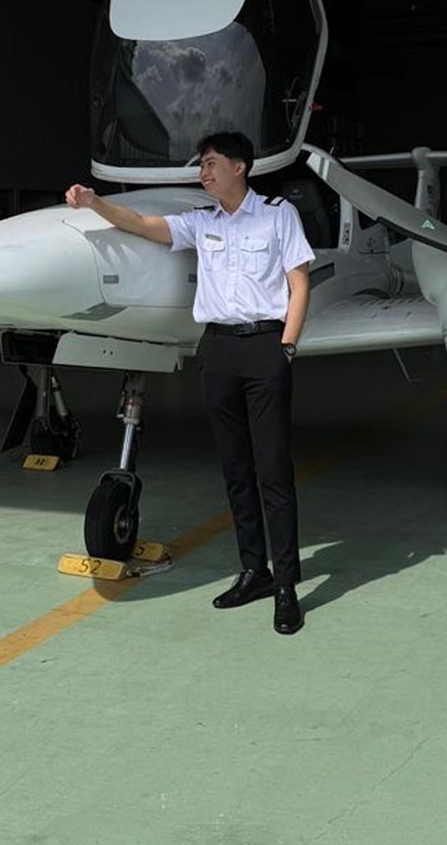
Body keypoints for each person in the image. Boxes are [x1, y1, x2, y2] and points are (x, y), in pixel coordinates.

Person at [65, 130, 314, 635]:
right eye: (202, 165)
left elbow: (299, 282)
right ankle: (254, 572)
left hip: (264, 345)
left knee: (273, 471)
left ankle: (287, 586)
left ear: (240, 167)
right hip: (217, 348)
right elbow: (141, 224)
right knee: (236, 471)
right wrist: (94, 203)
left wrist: (285, 347)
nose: (204, 172)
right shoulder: (202, 222)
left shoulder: (278, 214)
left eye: (211, 163)